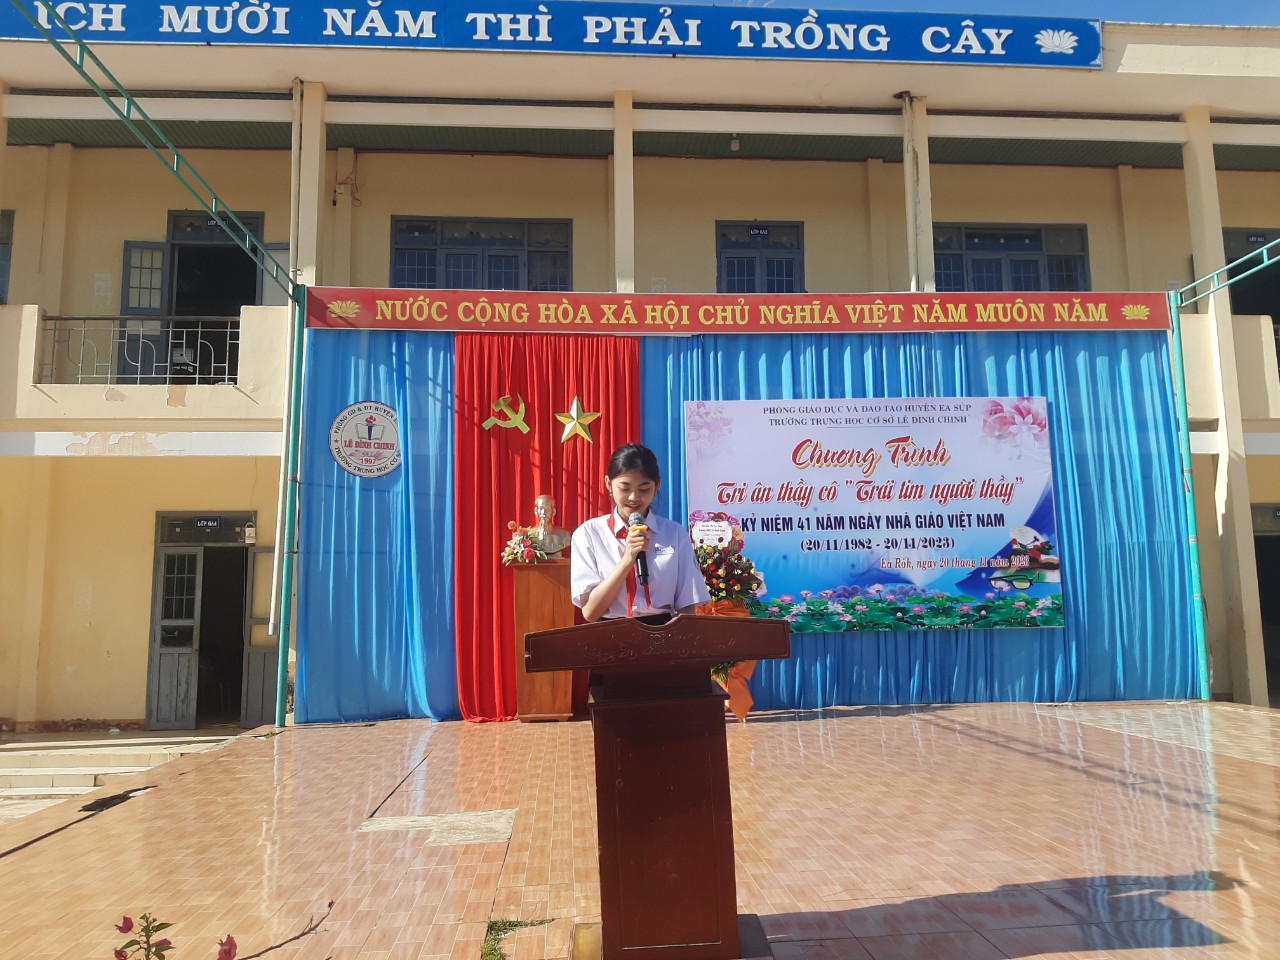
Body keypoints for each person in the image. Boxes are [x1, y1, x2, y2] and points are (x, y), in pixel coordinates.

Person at [570, 443, 710, 624]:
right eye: (625, 488)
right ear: (608, 484)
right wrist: (628, 559)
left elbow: (687, 607)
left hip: (664, 631)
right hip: (610, 631)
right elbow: (590, 612)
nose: (634, 497)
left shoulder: (674, 534)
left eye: (644, 489)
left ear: (657, 485)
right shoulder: (589, 534)